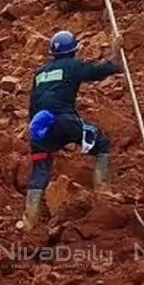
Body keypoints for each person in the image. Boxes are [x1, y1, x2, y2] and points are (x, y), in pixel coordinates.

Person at [22, 31, 124, 228]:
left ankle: (29, 220)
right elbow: (99, 71)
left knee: (40, 170)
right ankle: (103, 191)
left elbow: (33, 105)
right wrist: (115, 52)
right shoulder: (72, 66)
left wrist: (33, 132)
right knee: (101, 144)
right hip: (64, 121)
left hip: (40, 127)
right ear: (74, 50)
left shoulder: (40, 74)